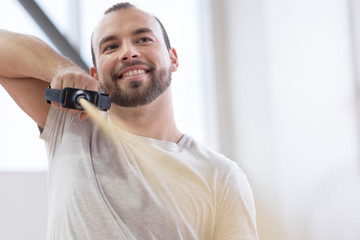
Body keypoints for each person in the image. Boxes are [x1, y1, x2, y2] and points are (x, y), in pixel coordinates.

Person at [0, 2, 259, 240]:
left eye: (143, 39)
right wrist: (60, 69)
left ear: (173, 58)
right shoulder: (70, 124)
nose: (128, 53)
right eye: (111, 47)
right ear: (95, 74)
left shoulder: (221, 177)